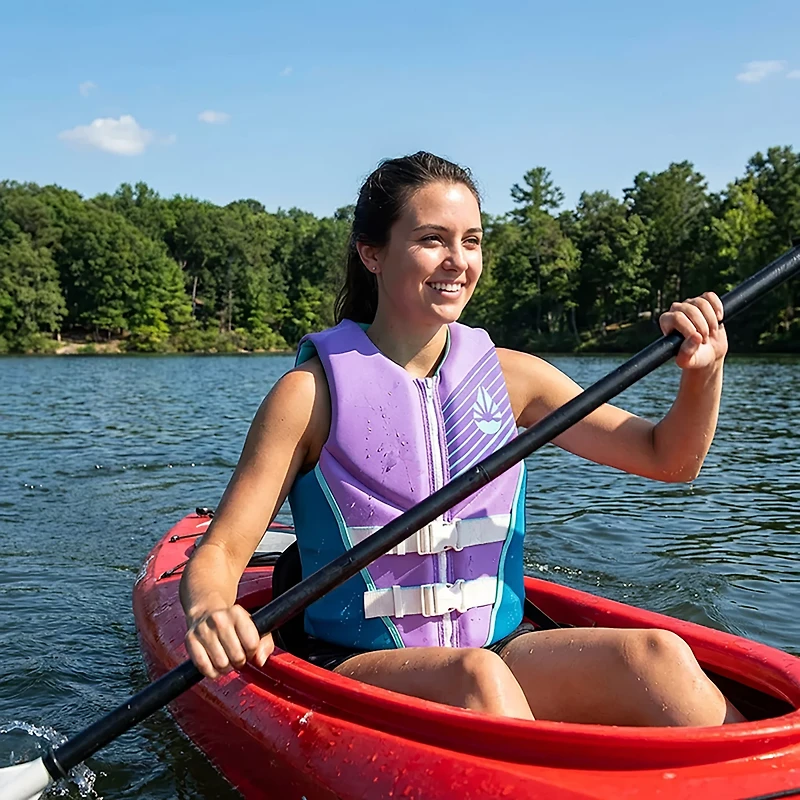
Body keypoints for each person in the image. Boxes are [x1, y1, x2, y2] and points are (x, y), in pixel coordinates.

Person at [179, 151, 744, 727]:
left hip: (498, 646)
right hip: (356, 662)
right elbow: (221, 553)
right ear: (371, 252)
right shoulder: (309, 395)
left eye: (471, 241)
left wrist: (703, 374)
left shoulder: (514, 378)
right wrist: (209, 611)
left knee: (658, 656)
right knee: (477, 679)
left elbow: (668, 459)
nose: (457, 261)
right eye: (432, 239)